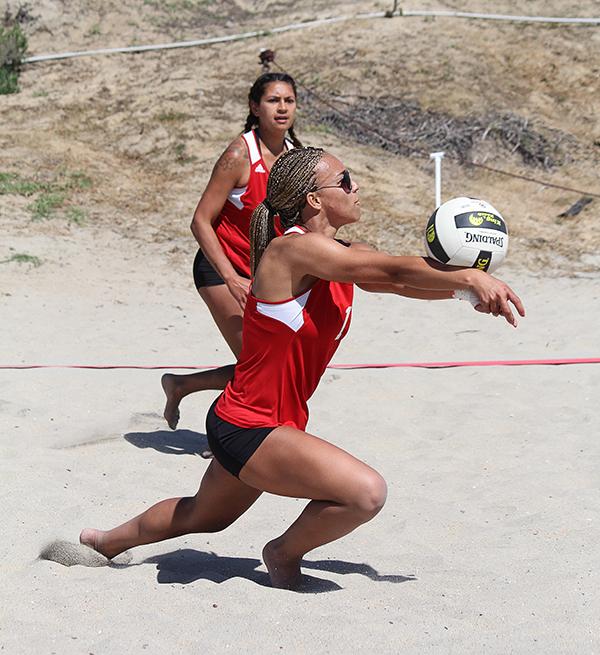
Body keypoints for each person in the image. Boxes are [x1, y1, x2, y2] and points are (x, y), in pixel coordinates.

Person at [80, 148, 525, 590]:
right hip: (249, 425)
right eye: (345, 180)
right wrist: (468, 277)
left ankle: (101, 542)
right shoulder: (289, 251)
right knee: (365, 493)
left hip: (267, 420)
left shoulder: (340, 252)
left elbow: (397, 280)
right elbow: (385, 268)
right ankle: (282, 553)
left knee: (203, 516)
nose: (356, 187)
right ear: (314, 199)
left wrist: (467, 294)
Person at [161, 72, 302, 430]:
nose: (282, 108)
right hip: (219, 270)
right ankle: (228, 436)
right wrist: (232, 278)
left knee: (273, 365)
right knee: (257, 365)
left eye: (289, 100)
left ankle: (182, 385)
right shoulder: (239, 154)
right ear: (255, 107)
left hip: (260, 277)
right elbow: (200, 221)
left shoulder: (295, 158)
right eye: (273, 100)